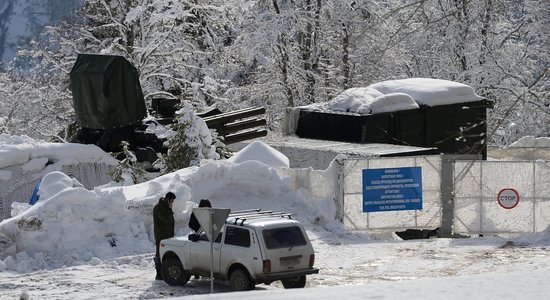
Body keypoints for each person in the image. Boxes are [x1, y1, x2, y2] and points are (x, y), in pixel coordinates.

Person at [153, 191, 176, 280]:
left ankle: (164, 273)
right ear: (167, 199)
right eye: (171, 201)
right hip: (161, 235)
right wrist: (170, 210)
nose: (172, 203)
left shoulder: (166, 207)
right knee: (159, 253)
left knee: (166, 253)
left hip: (168, 235)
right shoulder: (158, 208)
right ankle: (158, 274)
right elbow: (165, 220)